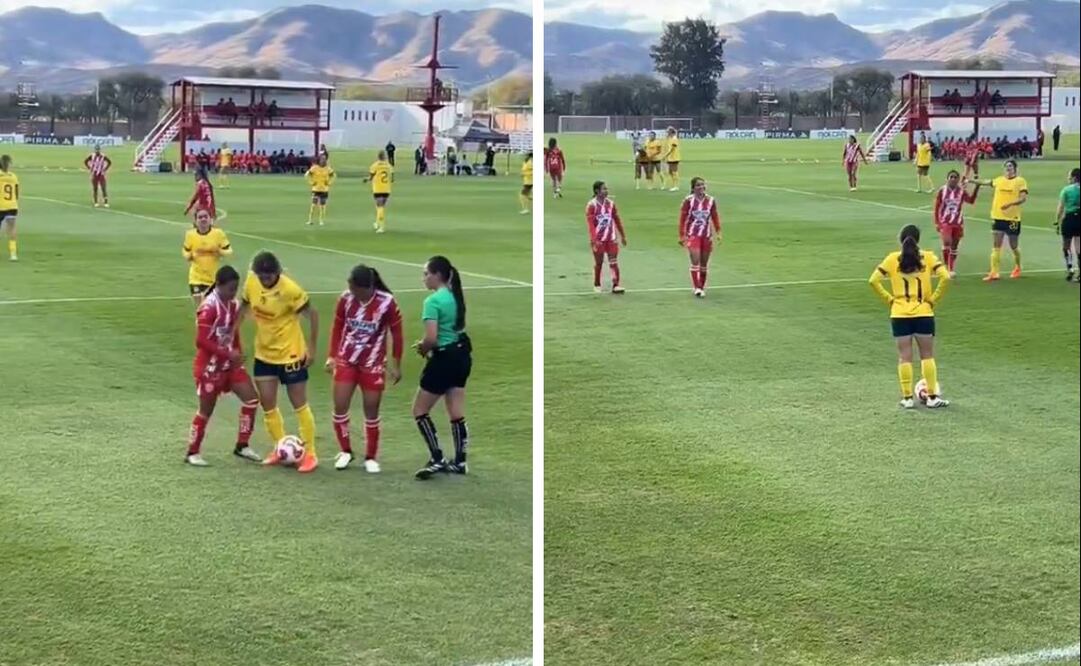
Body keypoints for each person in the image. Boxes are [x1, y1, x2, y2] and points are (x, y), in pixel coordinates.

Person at [240, 251, 320, 472]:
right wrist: (235, 338)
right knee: (268, 404)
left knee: (299, 404)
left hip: (291, 354)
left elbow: (313, 314)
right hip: (264, 354)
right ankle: (280, 447)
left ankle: (310, 453)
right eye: (261, 276)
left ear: (277, 273)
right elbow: (243, 307)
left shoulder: (290, 290)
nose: (264, 280)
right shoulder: (251, 282)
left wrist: (311, 348)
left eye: (268, 276)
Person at [327, 264, 404, 473]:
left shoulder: (386, 303)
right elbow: (337, 327)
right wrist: (332, 356)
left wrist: (396, 363)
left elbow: (397, 334)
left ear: (365, 287)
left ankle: (371, 457)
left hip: (372, 363)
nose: (351, 292)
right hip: (347, 360)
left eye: (354, 288)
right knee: (340, 404)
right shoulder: (345, 299)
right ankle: (345, 451)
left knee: (371, 409)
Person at [186, 265, 263, 466]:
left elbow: (233, 332)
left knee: (251, 399)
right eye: (230, 288)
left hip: (230, 365)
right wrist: (227, 352)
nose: (233, 293)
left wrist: (238, 352)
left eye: (236, 289)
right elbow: (201, 341)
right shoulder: (208, 307)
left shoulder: (233, 305)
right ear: (219, 285)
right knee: (205, 411)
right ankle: (192, 452)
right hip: (209, 367)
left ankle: (242, 445)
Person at [868, 224, 951, 409]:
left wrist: (890, 300)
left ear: (901, 239)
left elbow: (873, 280)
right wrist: (933, 299)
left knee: (904, 357)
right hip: (924, 313)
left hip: (899, 314)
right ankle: (931, 397)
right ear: (918, 240)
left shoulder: (892, 259)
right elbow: (945, 277)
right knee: (927, 356)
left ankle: (907, 398)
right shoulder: (928, 257)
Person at [412, 256, 472, 479]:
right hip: (462, 355)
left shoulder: (433, 301)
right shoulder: (456, 296)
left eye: (426, 274)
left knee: (419, 410)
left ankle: (437, 458)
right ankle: (460, 461)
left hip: (444, 359)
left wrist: (422, 347)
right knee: (456, 411)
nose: (423, 279)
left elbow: (432, 338)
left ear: (437, 275)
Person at [977, 160, 1028, 281]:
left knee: (1013, 245)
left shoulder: (1020, 181)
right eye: (1006, 166)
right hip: (998, 216)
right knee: (996, 245)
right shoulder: (999, 180)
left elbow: (1023, 199)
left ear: (1015, 168)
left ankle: (1018, 267)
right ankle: (994, 272)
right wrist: (971, 181)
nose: (1008, 168)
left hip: (1013, 219)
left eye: (1010, 166)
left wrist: (1009, 204)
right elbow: (986, 182)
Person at [679, 177, 722, 298]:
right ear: (693, 188)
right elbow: (682, 219)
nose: (701, 187)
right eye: (698, 185)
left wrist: (718, 232)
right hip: (693, 235)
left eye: (703, 185)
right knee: (695, 260)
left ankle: (701, 287)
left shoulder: (711, 200)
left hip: (706, 235)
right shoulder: (688, 201)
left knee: (704, 264)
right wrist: (682, 235)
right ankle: (696, 287)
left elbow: (715, 216)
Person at [933, 170, 980, 278]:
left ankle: (951, 268)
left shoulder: (961, 191)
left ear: (958, 180)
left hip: (958, 222)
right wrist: (937, 222)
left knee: (954, 246)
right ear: (947, 178)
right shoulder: (942, 191)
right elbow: (936, 207)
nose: (953, 179)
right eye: (951, 177)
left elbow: (971, 201)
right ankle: (946, 267)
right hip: (945, 222)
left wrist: (976, 188)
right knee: (947, 242)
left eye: (955, 177)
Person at [183, 208, 233, 305]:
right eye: (200, 217)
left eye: (206, 217)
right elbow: (185, 251)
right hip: (196, 276)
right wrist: (189, 256)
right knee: (200, 306)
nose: (203, 219)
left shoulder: (218, 234)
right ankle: (201, 319)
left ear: (210, 219)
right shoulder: (190, 235)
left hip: (212, 278)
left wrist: (219, 251)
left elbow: (229, 251)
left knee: (209, 307)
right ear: (196, 221)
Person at [586, 180, 627, 294]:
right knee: (599, 263)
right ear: (597, 191)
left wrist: (622, 235)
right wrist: (594, 240)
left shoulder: (611, 204)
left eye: (606, 189)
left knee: (613, 261)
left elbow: (617, 220)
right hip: (599, 240)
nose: (606, 191)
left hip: (611, 238)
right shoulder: (591, 205)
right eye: (604, 189)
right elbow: (590, 224)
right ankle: (597, 284)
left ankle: (616, 285)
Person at [1055, 167, 1081, 282]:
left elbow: (1061, 207)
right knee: (1079, 246)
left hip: (1069, 219)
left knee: (1066, 245)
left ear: (1074, 178)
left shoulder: (1066, 190)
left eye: (1070, 176)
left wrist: (1057, 221)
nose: (1068, 178)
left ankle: (1070, 269)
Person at [366, 150, 393, 233]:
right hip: (387, 189)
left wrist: (366, 179)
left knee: (379, 207)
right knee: (381, 207)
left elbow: (370, 177)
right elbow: (392, 178)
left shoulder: (375, 165)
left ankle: (381, 227)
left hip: (378, 188)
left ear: (378, 157)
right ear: (385, 156)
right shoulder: (389, 166)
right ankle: (377, 222)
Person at [305, 154, 336, 226]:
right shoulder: (314, 168)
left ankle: (321, 220)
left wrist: (329, 183)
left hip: (324, 190)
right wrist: (311, 182)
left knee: (322, 206)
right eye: (322, 159)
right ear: (319, 160)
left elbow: (334, 175)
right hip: (316, 189)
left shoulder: (328, 169)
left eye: (325, 159)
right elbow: (306, 175)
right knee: (313, 205)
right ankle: (310, 220)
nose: (323, 160)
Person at [0, 155, 19, 261]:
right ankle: (13, 254)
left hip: (0, 206)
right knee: (11, 229)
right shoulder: (13, 176)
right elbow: (16, 192)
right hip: (12, 205)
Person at [663, 126, 682, 192]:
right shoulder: (670, 138)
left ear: (671, 132)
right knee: (670, 172)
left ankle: (676, 186)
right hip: (670, 157)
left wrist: (665, 155)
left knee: (674, 171)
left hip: (674, 157)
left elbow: (672, 149)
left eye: (668, 132)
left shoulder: (674, 139)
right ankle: (673, 184)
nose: (667, 133)